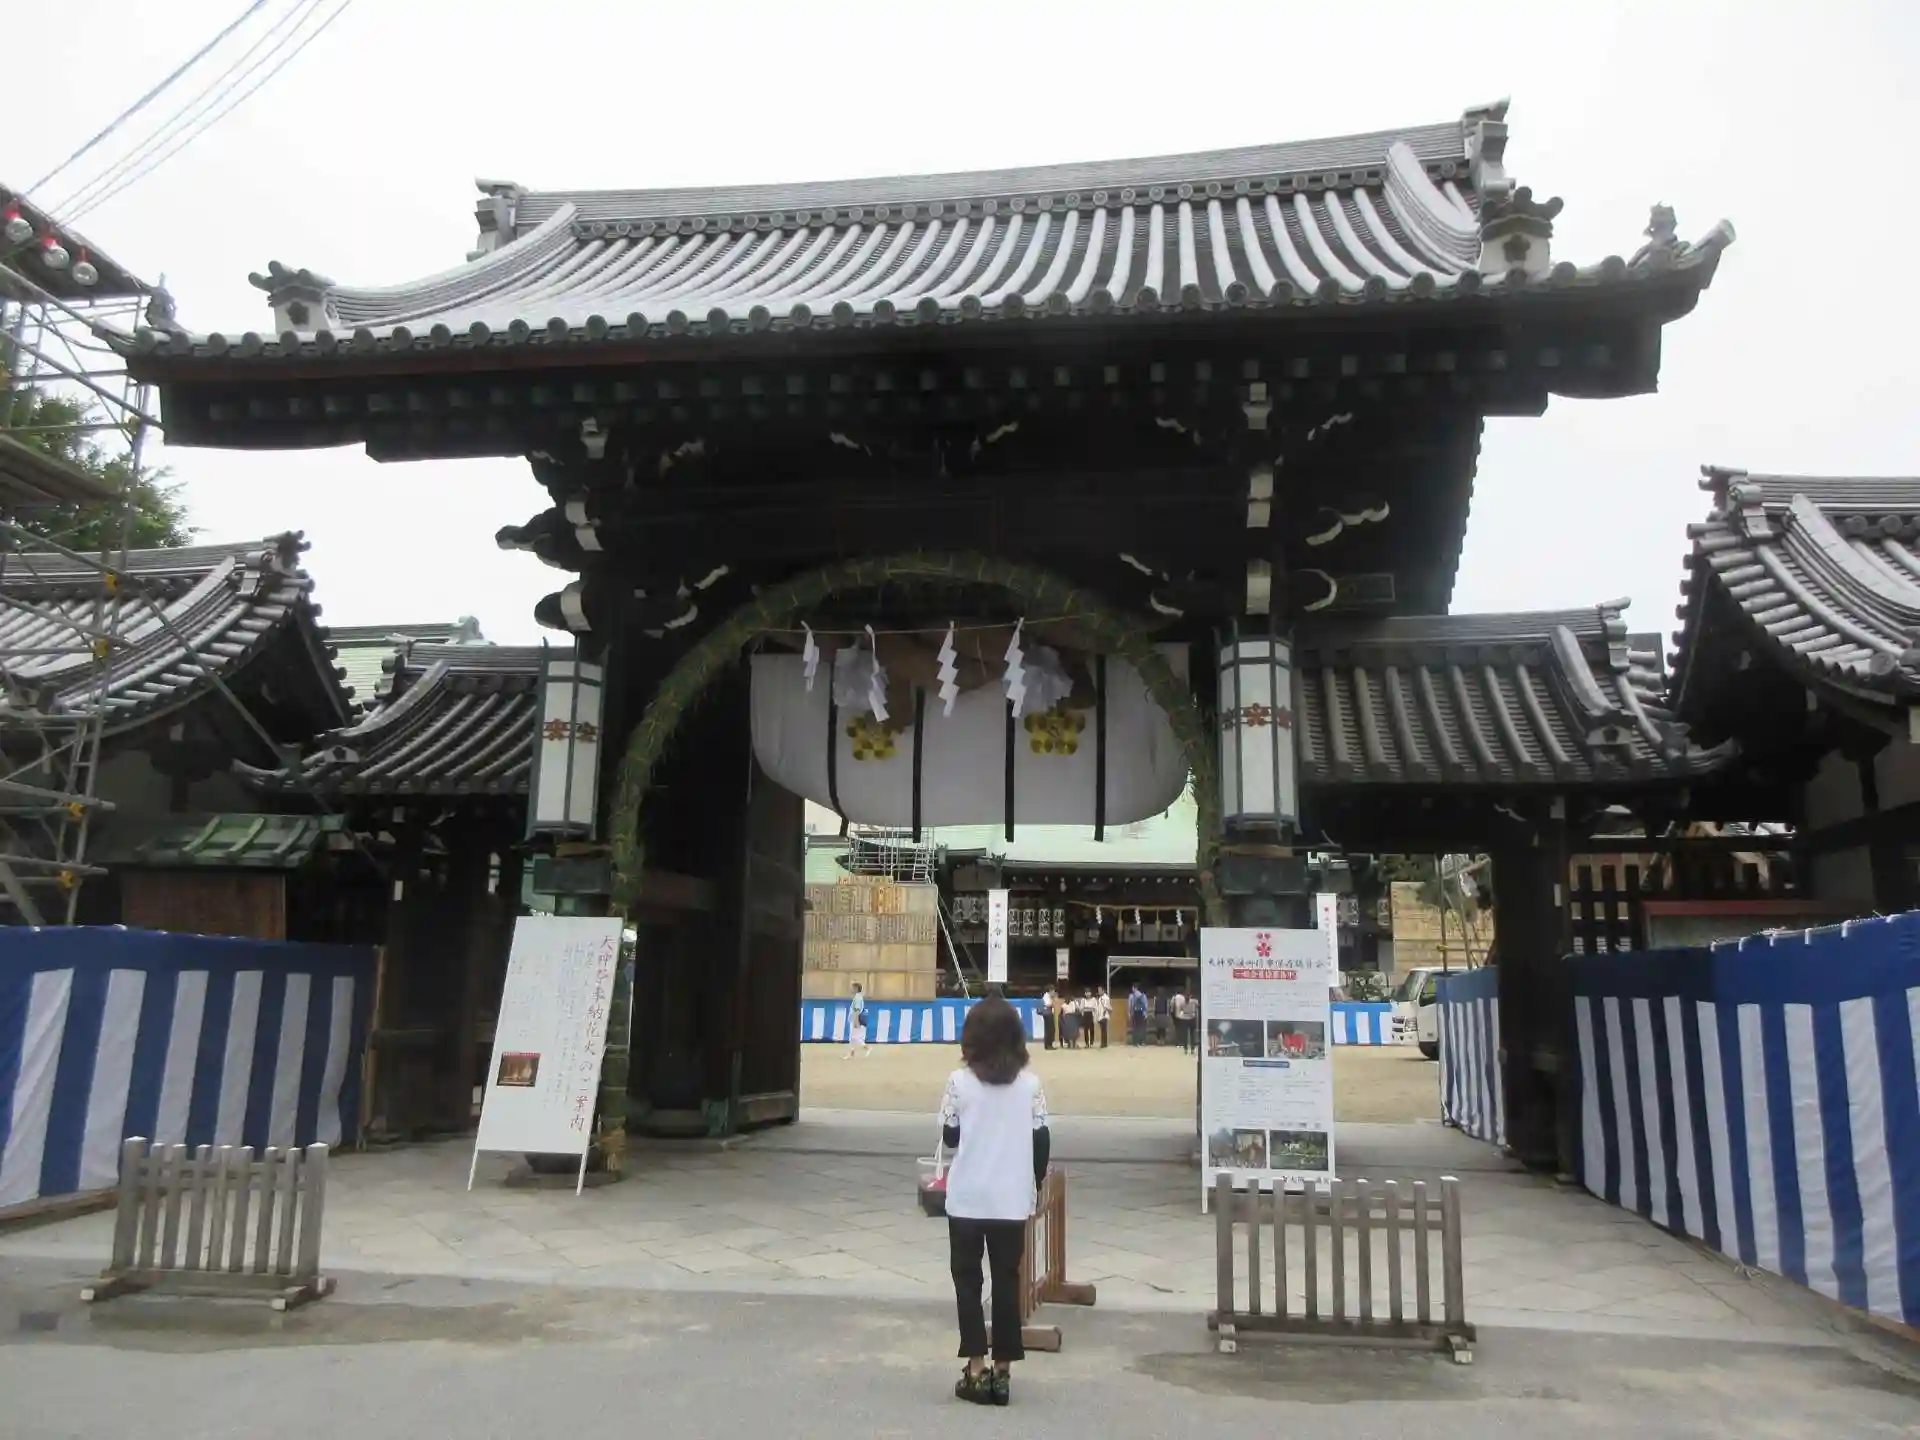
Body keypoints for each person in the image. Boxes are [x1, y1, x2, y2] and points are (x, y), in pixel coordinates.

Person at [938, 996, 1050, 1407]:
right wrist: (1035, 1183)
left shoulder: (959, 1082)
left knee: (968, 1282)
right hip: (1010, 1198)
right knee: (1007, 1281)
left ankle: (975, 1367)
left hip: (967, 1197)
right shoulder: (1030, 1085)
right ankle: (1003, 1371)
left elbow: (950, 1136)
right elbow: (1041, 1140)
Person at [846, 984, 872, 1058]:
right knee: (852, 1038)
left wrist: (856, 1021)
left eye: (853, 988)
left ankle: (867, 1047)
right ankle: (851, 1053)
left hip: (855, 1019)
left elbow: (857, 1010)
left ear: (856, 989)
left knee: (854, 1038)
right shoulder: (858, 997)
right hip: (854, 1019)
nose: (851, 989)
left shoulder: (857, 998)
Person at [1040, 985, 1057, 1050]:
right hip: (1048, 1014)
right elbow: (1048, 1004)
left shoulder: (1049, 996)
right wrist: (1053, 1001)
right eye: (1053, 990)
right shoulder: (1046, 996)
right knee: (1049, 1029)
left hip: (1049, 1013)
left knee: (1051, 1029)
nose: (1054, 992)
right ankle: (1048, 1044)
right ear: (1050, 990)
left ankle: (1050, 1044)